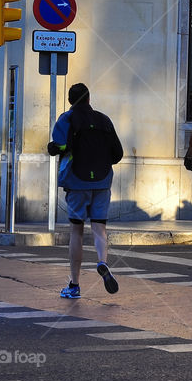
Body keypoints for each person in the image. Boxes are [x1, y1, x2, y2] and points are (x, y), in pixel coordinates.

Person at [47, 83, 124, 299]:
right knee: (99, 228)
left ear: (71, 101)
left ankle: (74, 285)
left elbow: (60, 145)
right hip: (102, 181)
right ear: (89, 99)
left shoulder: (67, 119)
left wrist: (54, 148)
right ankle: (102, 262)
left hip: (76, 180)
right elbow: (117, 153)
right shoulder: (104, 120)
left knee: (77, 231)